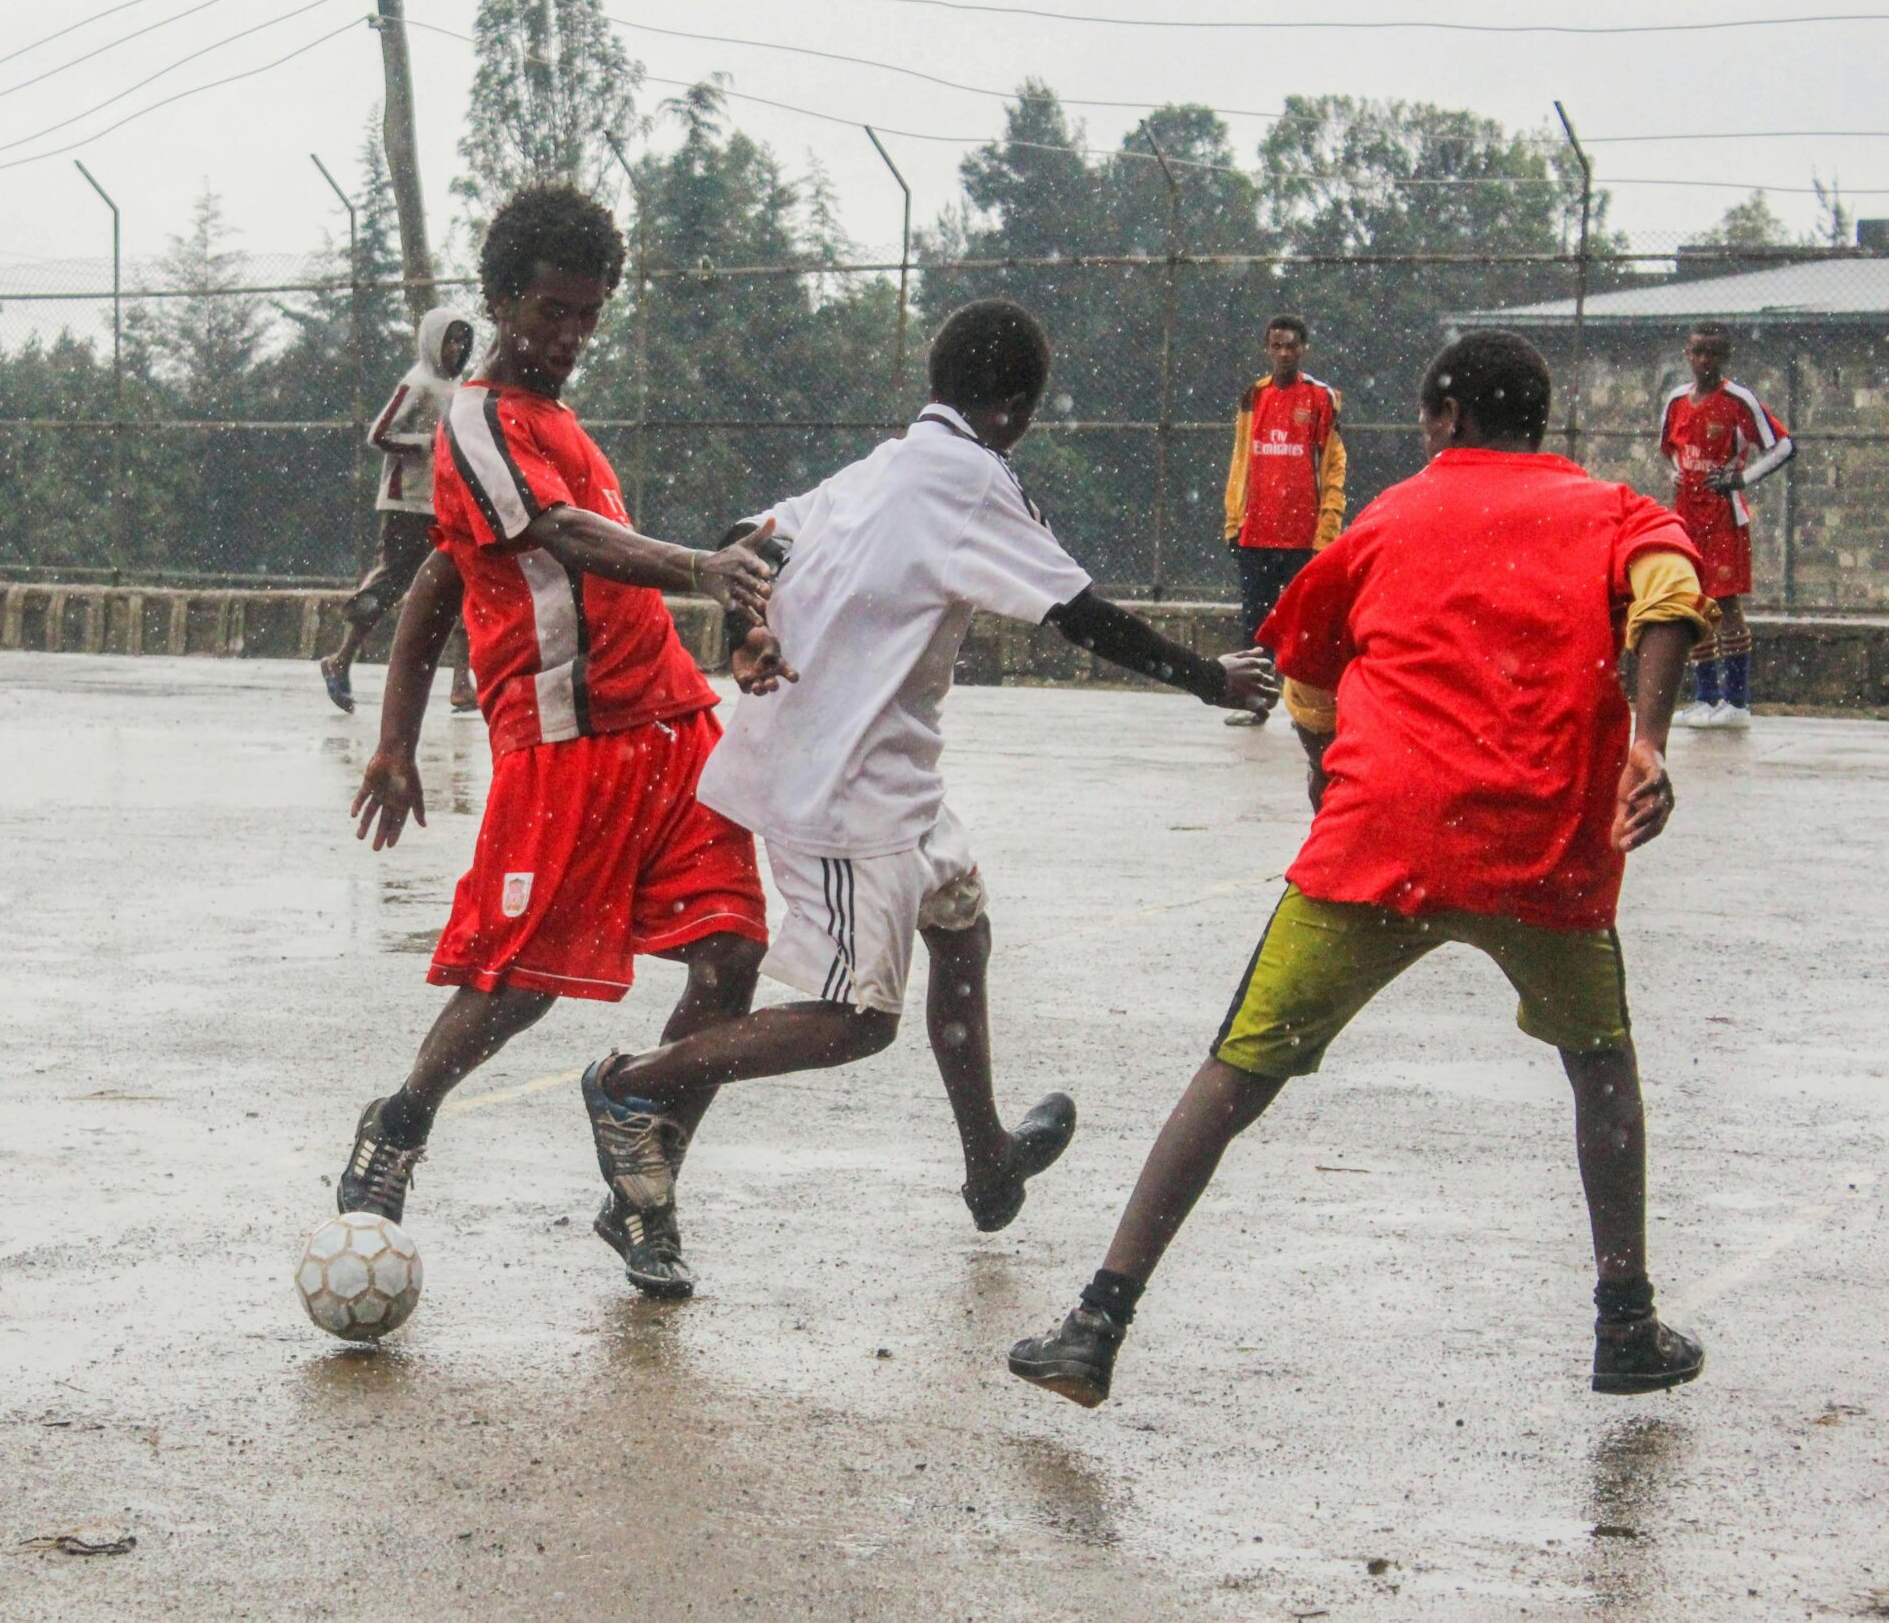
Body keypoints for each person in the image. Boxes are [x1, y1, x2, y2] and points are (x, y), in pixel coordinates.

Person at [1010, 330, 1713, 1407]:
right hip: (1544, 849)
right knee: (1599, 1067)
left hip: (1381, 839)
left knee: (1235, 1072)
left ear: (1443, 419)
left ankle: (1098, 1320)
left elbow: (1304, 662)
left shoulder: (1388, 518)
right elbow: (1670, 593)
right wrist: (1649, 740)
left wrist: (1324, 765)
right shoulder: (1608, 510)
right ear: (1536, 419)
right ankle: (1624, 1321)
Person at [576, 300, 1278, 1289]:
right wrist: (1211, 678)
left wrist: (746, 630)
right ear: (1014, 412)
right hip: (843, 783)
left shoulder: (886, 466)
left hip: (887, 769)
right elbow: (1079, 616)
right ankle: (627, 1086)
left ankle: (988, 1162)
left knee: (961, 926)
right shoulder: (971, 480)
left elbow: (748, 538)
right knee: (853, 1020)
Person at [337, 184, 778, 1298]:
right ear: (499, 302)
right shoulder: (477, 421)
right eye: (549, 311)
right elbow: (535, 543)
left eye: (587, 314)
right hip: (566, 743)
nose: (569, 336)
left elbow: (450, 576)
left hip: (675, 730)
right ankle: (400, 1120)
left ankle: (642, 1183)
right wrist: (696, 567)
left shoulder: (566, 429)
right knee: (519, 981)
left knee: (730, 957)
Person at [320, 305, 479, 716]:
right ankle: (341, 658)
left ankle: (462, 681)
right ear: (433, 342)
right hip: (407, 501)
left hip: (445, 501)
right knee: (391, 582)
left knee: (461, 582)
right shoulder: (418, 384)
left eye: (463, 341)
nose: (457, 348)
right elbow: (379, 433)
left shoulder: (460, 387)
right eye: (450, 340)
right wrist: (425, 444)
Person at [1660, 321, 1792, 729]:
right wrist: (1673, 474)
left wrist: (1742, 478)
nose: (1704, 360)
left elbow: (1784, 445)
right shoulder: (1677, 401)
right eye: (1698, 352)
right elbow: (1668, 451)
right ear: (1688, 354)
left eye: (1712, 353)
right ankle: (1706, 697)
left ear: (1724, 357)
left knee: (1727, 602)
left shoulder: (1738, 400)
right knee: (1692, 599)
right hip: (1687, 515)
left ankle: (1737, 702)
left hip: (1723, 515)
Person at [1219, 314, 1345, 726]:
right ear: (1267, 348)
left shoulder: (1320, 398)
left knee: (1305, 629)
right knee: (1256, 627)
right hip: (1256, 532)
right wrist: (1234, 521)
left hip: (1303, 538)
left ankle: (1306, 712)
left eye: (1291, 345)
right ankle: (1256, 704)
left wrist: (1327, 532)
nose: (1284, 352)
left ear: (1303, 348)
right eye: (1277, 345)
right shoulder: (1252, 397)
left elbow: (1333, 467)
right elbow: (1241, 461)